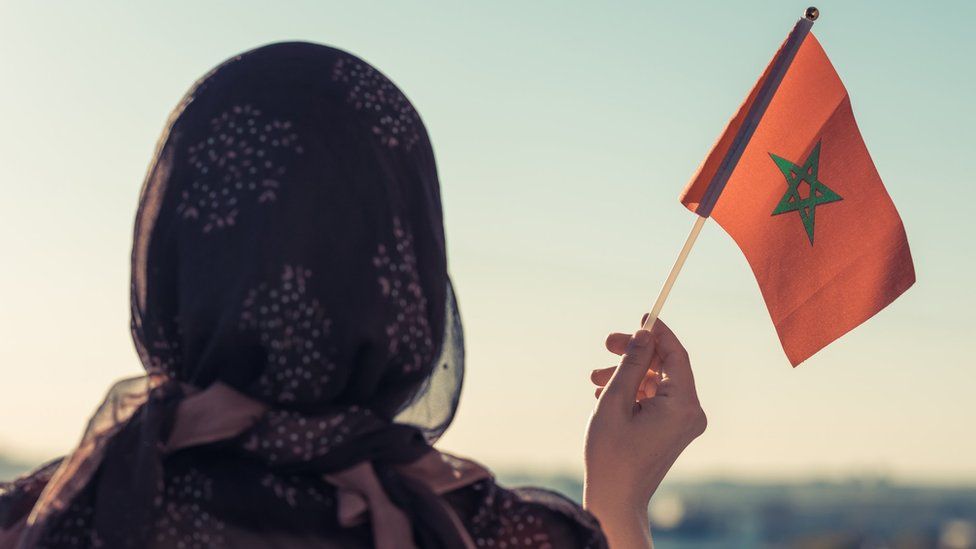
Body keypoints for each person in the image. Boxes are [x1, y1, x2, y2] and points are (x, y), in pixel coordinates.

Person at [0, 42, 705, 548]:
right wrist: (619, 499)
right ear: (409, 274)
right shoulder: (511, 535)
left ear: (168, 255)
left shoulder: (36, 522)